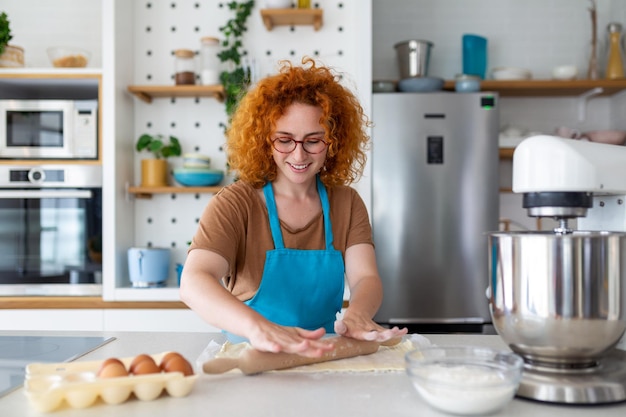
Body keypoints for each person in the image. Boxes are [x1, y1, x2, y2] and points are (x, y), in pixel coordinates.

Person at [180, 57, 407, 358]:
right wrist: (257, 327)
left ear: (333, 142)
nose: (299, 154)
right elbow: (194, 281)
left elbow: (366, 278)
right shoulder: (235, 204)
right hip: (249, 359)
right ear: (264, 141)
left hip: (324, 359)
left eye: (313, 141)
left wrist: (358, 315)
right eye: (284, 140)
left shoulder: (347, 203)